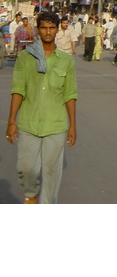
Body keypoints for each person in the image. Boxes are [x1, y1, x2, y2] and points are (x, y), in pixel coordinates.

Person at [5, 11, 77, 204]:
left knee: (52, 173)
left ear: (57, 30)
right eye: (44, 27)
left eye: (52, 28)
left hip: (56, 124)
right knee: (26, 168)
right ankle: (31, 194)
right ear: (38, 30)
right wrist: (11, 121)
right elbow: (18, 90)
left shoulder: (66, 61)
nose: (48, 32)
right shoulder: (25, 58)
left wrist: (72, 126)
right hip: (29, 123)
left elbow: (70, 95)